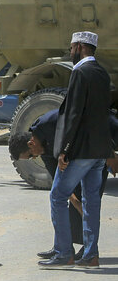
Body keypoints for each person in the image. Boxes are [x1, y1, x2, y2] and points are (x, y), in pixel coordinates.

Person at [39, 31, 112, 268]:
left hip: (80, 151)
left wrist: (64, 150)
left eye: (71, 48)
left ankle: (64, 252)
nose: (70, 52)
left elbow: (73, 114)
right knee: (92, 202)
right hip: (99, 151)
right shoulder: (101, 73)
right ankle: (91, 254)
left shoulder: (80, 72)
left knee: (58, 196)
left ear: (80, 46)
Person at [8, 109, 117, 261]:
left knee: (89, 199)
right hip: (85, 154)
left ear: (31, 143)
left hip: (102, 136)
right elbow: (58, 182)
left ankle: (84, 249)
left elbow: (86, 125)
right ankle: (65, 246)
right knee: (67, 200)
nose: (35, 157)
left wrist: (108, 151)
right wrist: (75, 201)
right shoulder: (43, 150)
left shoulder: (49, 123)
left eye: (31, 155)